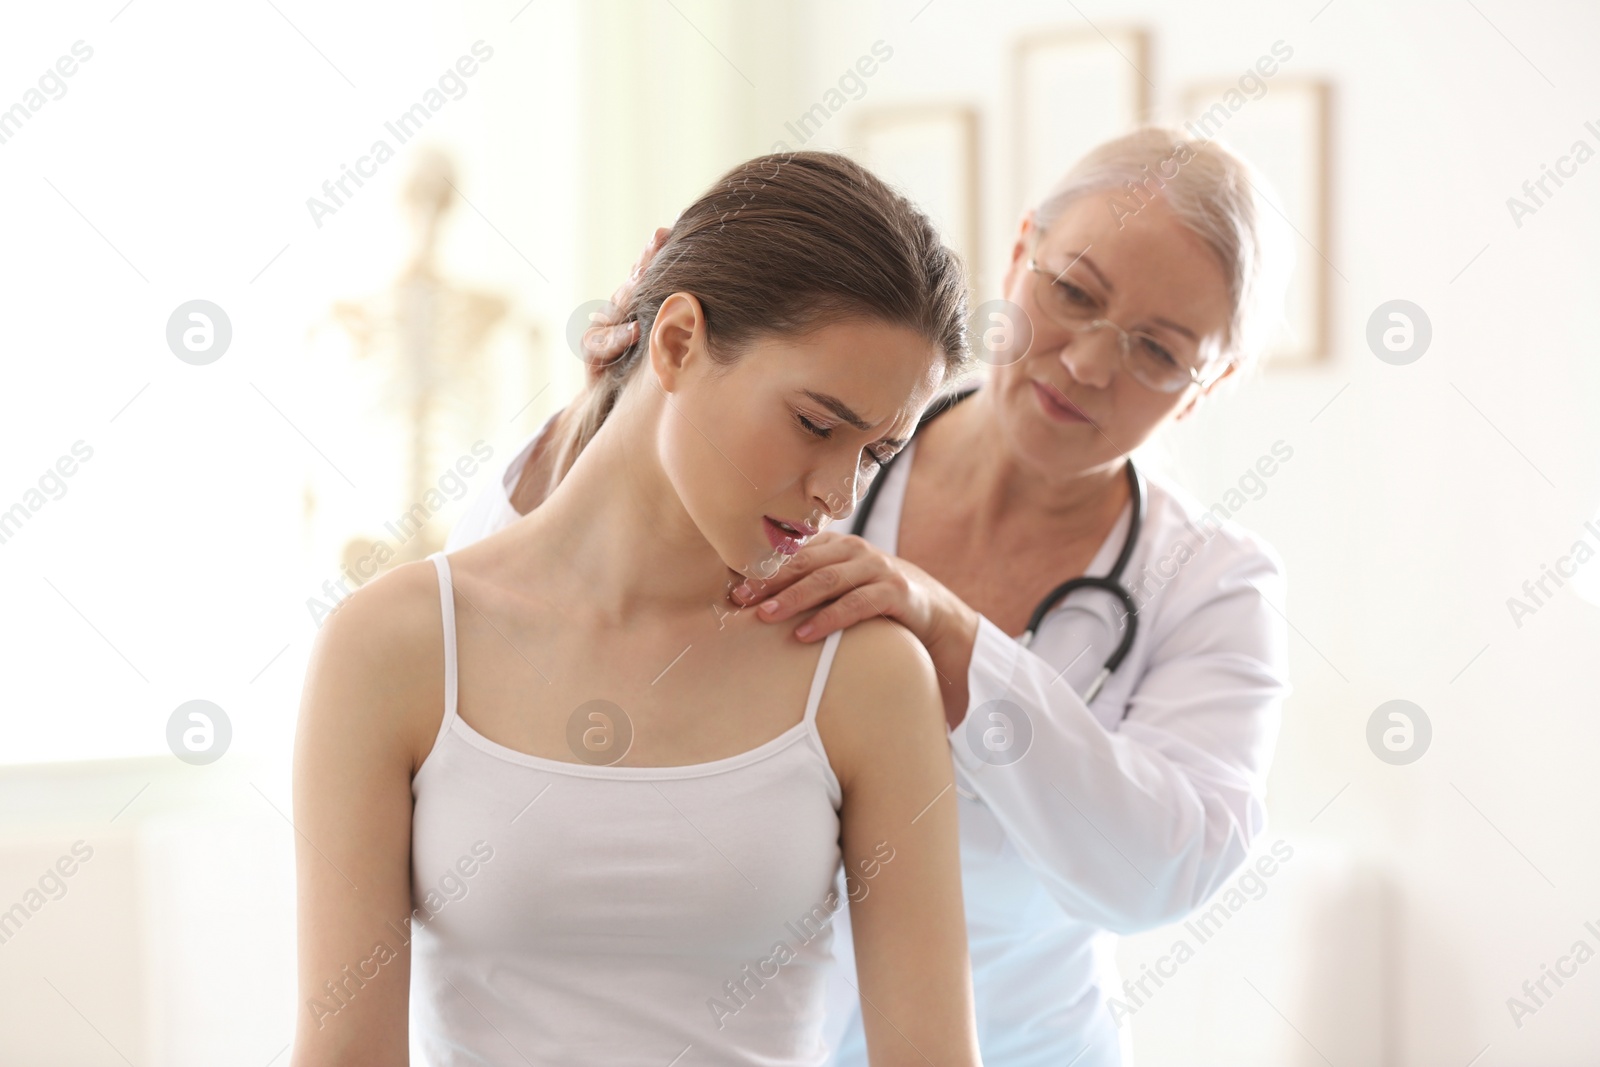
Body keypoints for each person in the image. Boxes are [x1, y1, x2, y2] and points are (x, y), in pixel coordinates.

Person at [448, 126, 1294, 1067]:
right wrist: (622, 396)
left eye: (1158, 351)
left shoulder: (1213, 584)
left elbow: (1160, 874)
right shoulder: (806, 429)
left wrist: (957, 639)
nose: (1089, 362)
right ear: (1020, 255)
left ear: (1205, 387)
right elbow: (500, 631)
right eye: (1074, 294)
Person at [291, 150, 985, 1067]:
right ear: (678, 341)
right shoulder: (395, 646)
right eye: (818, 424)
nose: (837, 493)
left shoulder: (862, 670)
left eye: (875, 452)